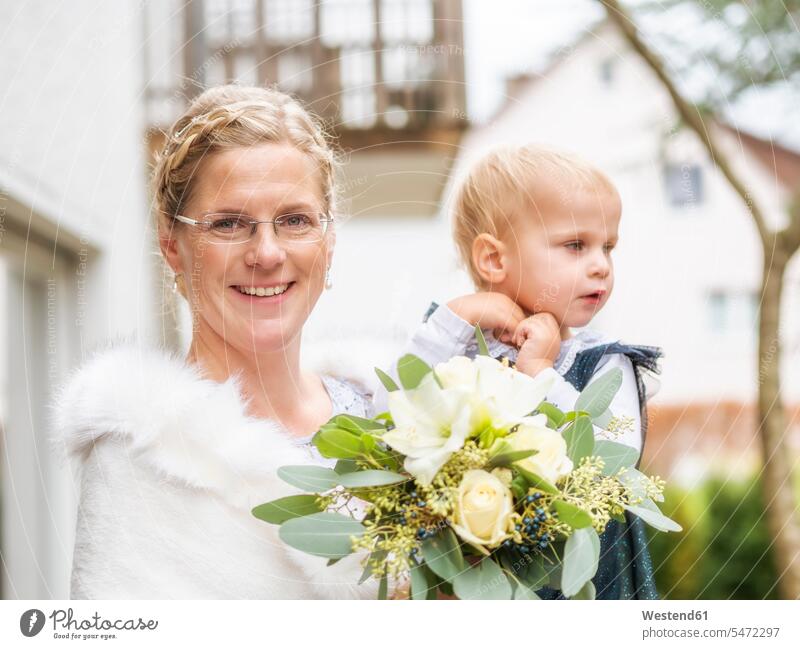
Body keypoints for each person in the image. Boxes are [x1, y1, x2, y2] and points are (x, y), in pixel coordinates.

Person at [54, 85, 377, 599]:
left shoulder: (396, 417)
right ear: (173, 247)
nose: (267, 253)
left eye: (295, 220)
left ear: (329, 239)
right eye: (229, 224)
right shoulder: (142, 461)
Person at [393, 144, 663, 599]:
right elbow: (395, 417)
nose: (601, 265)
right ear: (494, 260)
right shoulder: (455, 349)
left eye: (608, 247)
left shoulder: (607, 363)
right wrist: (454, 320)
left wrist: (538, 371)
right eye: (575, 245)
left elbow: (608, 464)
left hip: (589, 587)